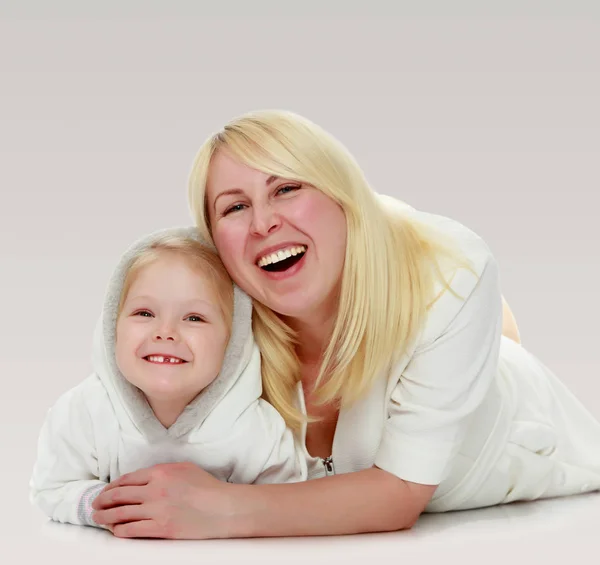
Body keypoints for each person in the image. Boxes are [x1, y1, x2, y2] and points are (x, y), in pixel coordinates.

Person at [91, 110, 600, 539]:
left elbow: (400, 494)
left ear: (341, 194)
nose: (263, 222)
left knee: (463, 314)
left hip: (524, 433)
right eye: (235, 207)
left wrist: (224, 509)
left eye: (286, 188)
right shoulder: (213, 305)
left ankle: (493, 332)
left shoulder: (451, 274)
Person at [30, 227, 307, 529]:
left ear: (233, 342)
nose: (165, 331)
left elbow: (285, 504)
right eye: (144, 313)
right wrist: (102, 504)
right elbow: (51, 486)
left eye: (194, 318)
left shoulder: (257, 431)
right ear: (113, 328)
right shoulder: (84, 412)